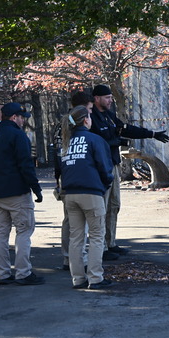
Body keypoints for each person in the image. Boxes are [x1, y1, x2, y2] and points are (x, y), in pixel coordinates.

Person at [90, 84, 169, 260]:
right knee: (101, 207)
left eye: (111, 97)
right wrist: (116, 141)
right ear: (97, 98)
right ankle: (100, 248)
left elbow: (126, 129)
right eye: (107, 97)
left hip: (113, 164)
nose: (110, 100)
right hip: (100, 168)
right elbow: (96, 142)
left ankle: (110, 243)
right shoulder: (90, 117)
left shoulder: (109, 116)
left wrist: (152, 134)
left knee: (114, 205)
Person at [0, 102, 45, 285]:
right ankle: (23, 273)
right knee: (23, 232)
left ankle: (4, 274)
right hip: (17, 193)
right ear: (14, 117)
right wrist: (36, 188)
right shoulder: (18, 136)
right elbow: (26, 166)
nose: (23, 121)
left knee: (1, 233)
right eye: (22, 118)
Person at [60, 105, 114, 289]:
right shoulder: (94, 140)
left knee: (76, 237)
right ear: (85, 120)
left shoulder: (66, 142)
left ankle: (78, 279)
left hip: (70, 194)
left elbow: (60, 170)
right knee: (97, 236)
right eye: (90, 116)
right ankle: (96, 278)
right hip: (91, 193)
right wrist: (106, 184)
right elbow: (105, 168)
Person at [54, 91, 94, 270]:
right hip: (79, 179)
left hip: (65, 178)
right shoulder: (78, 129)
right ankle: (80, 260)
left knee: (69, 221)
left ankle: (68, 257)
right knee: (81, 224)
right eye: (90, 109)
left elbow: (58, 155)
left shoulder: (62, 125)